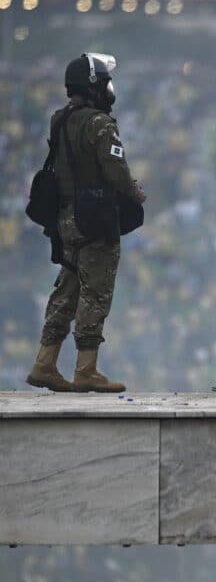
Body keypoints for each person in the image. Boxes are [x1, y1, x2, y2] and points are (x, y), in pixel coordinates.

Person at [26, 53, 146, 393]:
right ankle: (86, 370)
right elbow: (115, 171)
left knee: (67, 289)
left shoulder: (59, 119)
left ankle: (44, 363)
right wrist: (135, 191)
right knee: (96, 293)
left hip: (66, 218)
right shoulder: (100, 123)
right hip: (96, 219)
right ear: (95, 87)